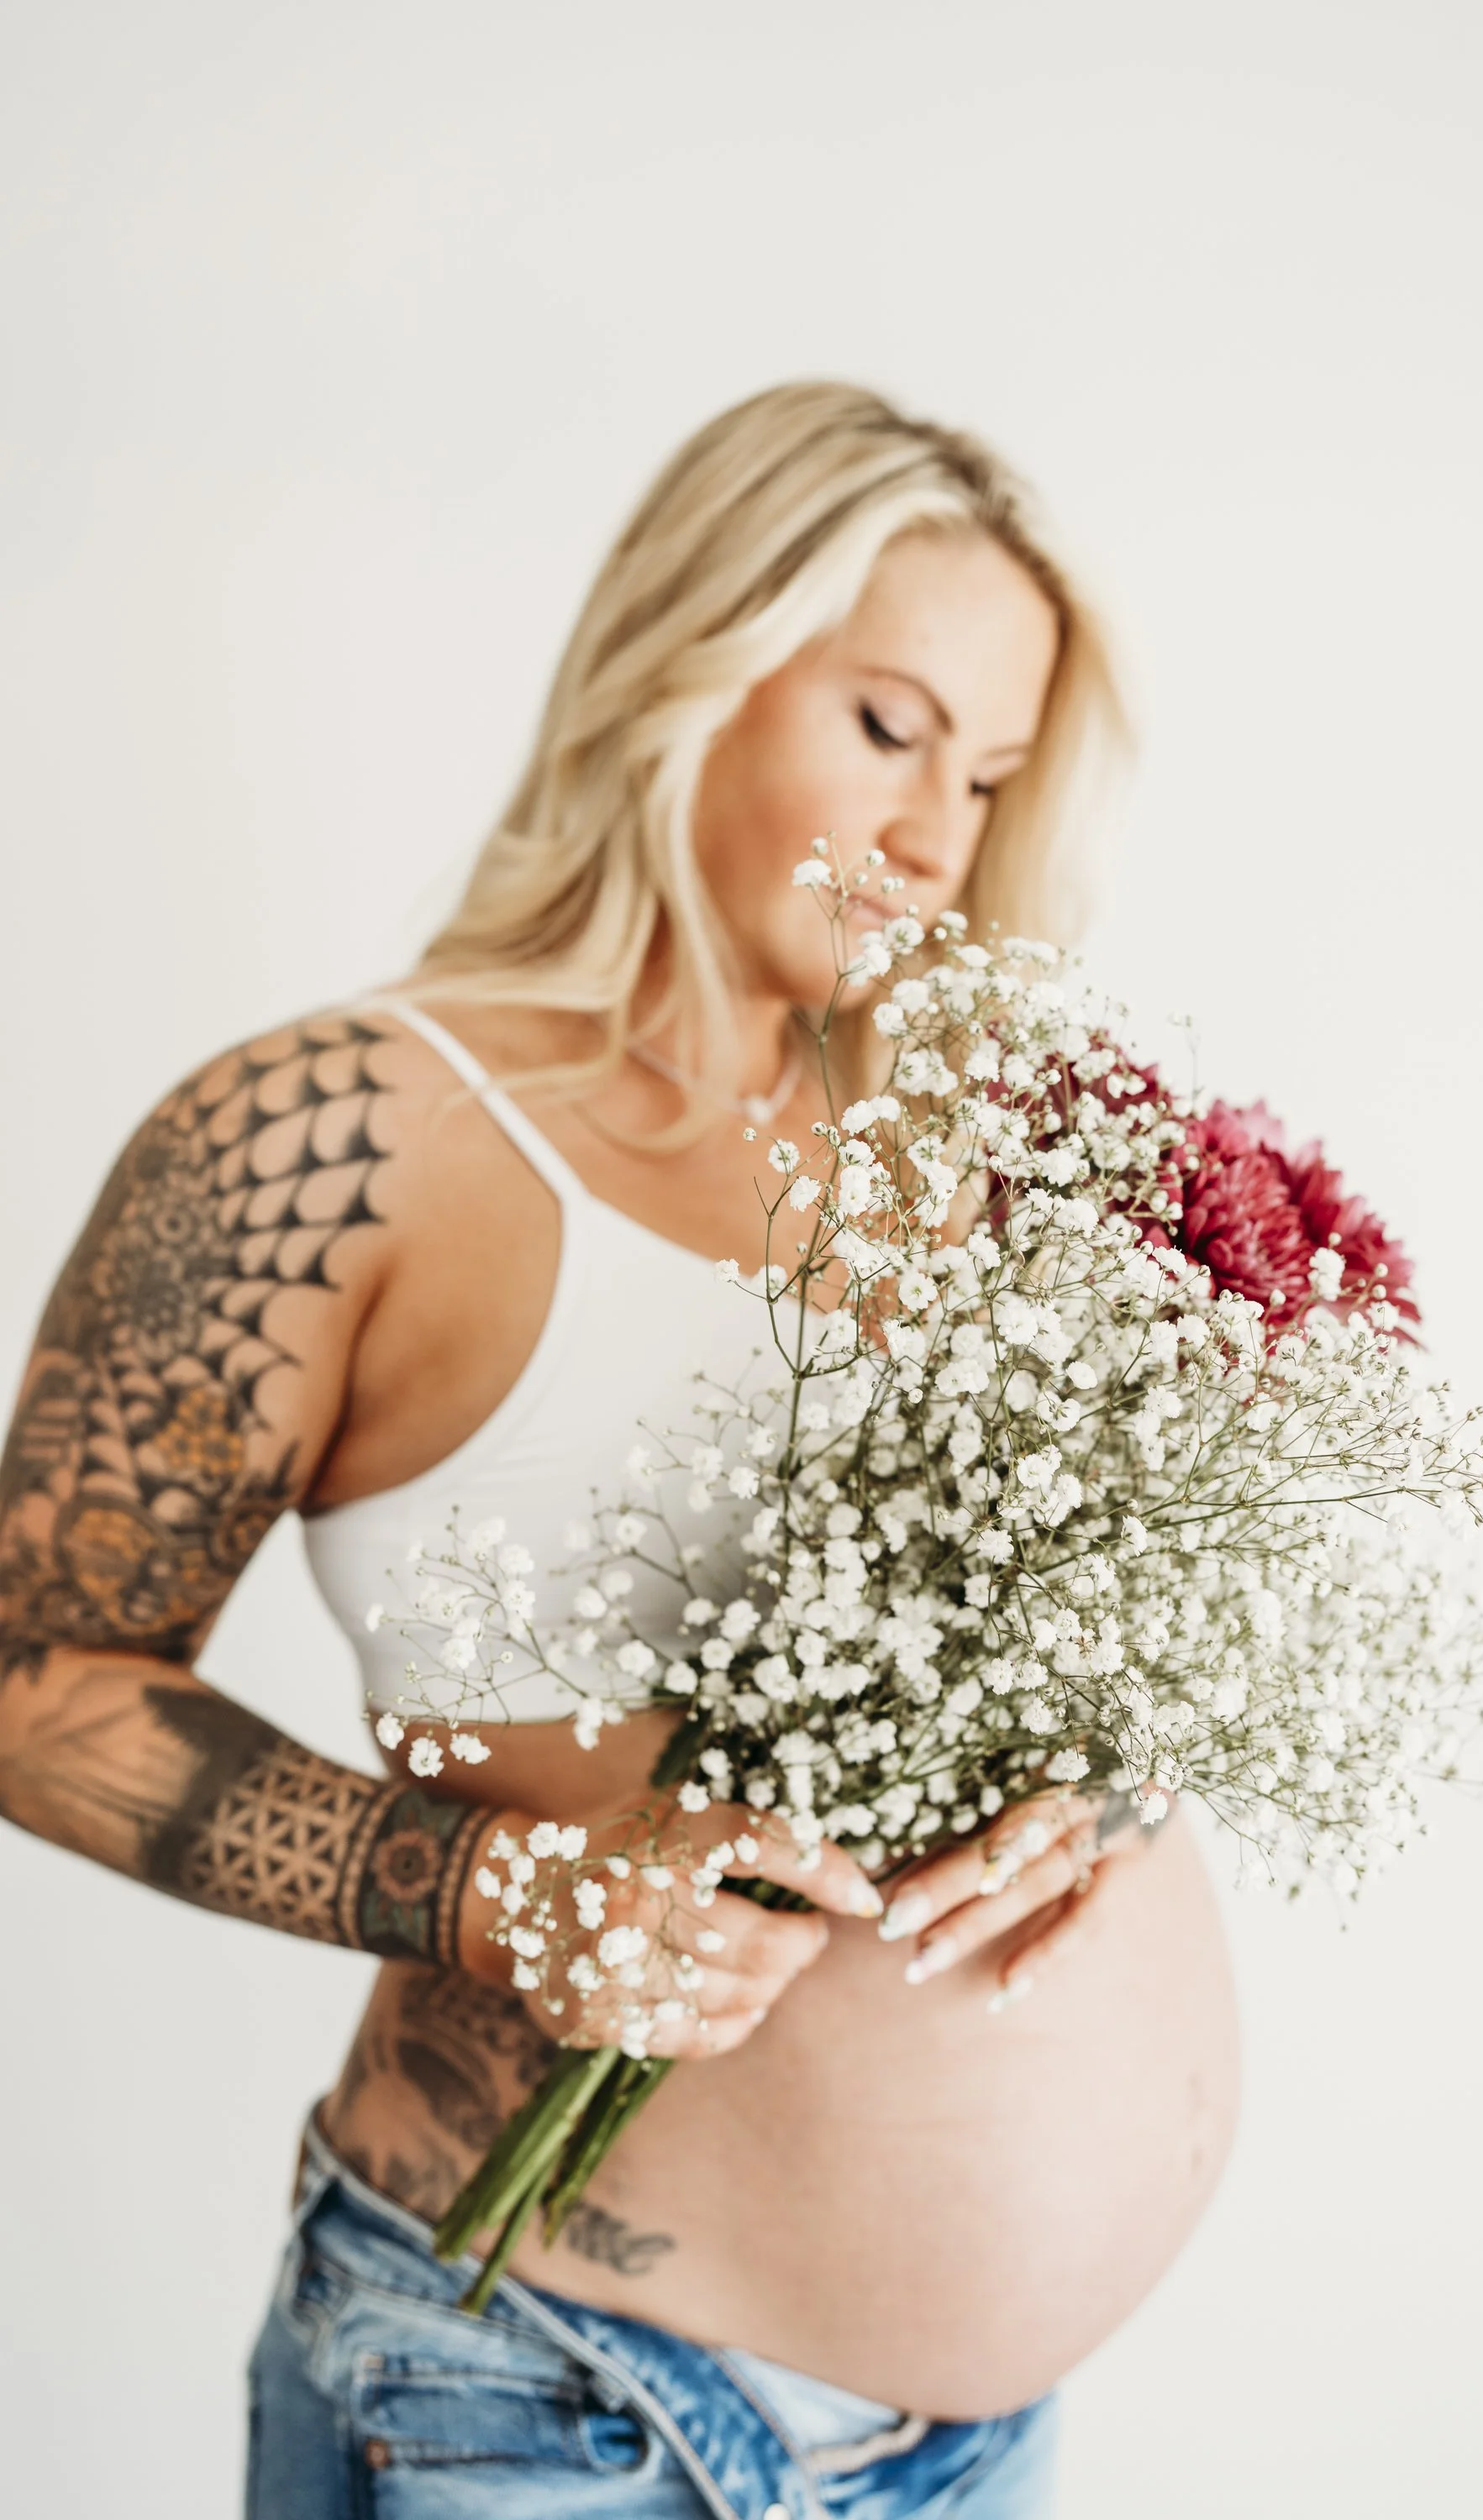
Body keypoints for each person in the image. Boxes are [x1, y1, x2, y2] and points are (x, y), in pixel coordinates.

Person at [0, 381, 1239, 2517]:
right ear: (687, 662)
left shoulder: (962, 1149)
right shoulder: (338, 1133)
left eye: (989, 773)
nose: (937, 835)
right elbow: (38, 1683)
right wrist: (504, 1895)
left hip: (970, 2452)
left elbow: (1095, 1621)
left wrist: (1098, 1780)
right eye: (886, 725)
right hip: (544, 2412)